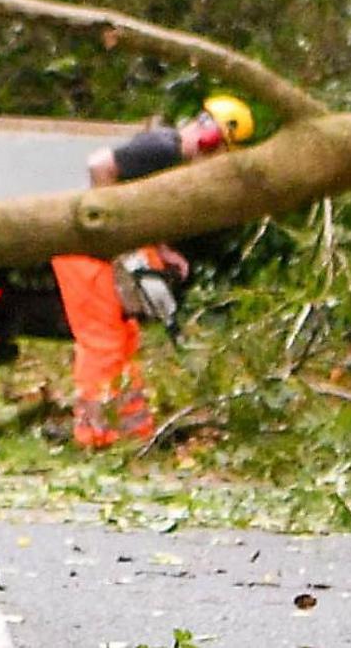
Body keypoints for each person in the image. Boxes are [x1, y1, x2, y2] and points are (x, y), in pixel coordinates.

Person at [52, 94, 254, 448]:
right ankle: (94, 435)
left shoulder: (170, 161)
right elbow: (100, 165)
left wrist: (159, 249)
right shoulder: (163, 148)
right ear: (212, 141)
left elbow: (142, 209)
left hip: (105, 253)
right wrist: (109, 233)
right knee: (102, 343)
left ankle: (130, 430)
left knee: (126, 337)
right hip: (86, 254)